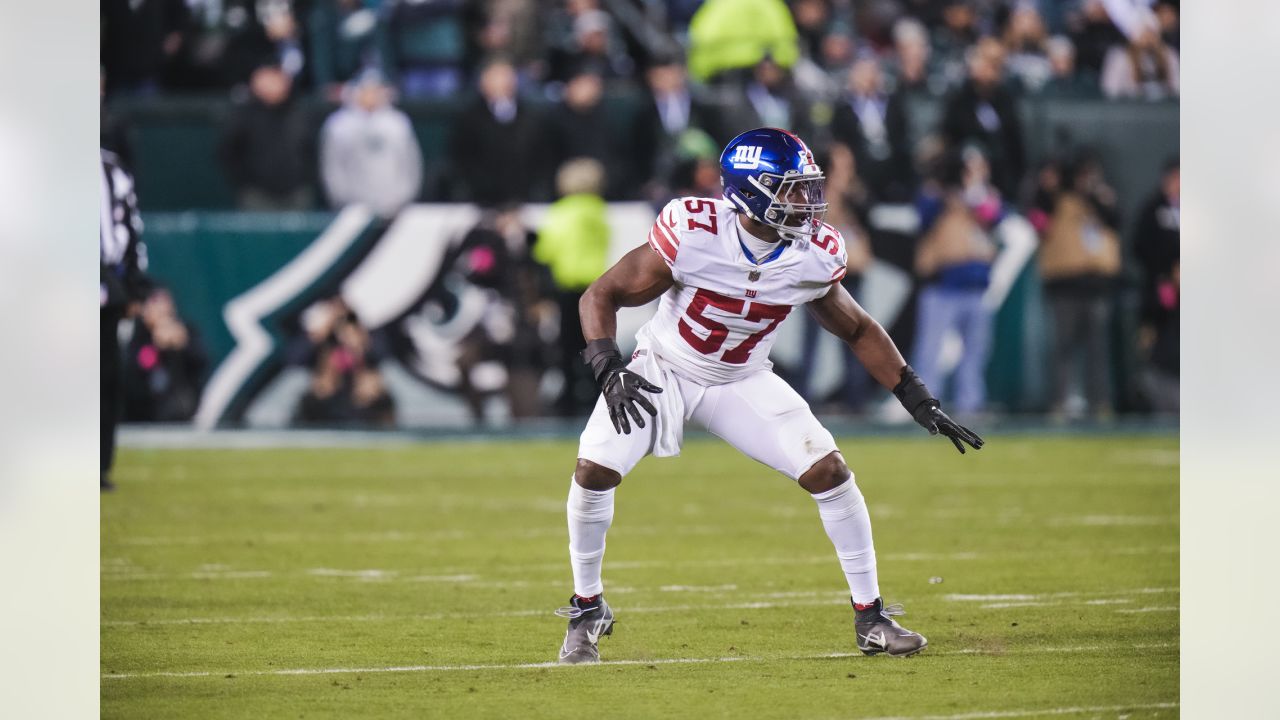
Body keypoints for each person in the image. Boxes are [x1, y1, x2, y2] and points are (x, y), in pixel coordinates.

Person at [554, 128, 984, 664]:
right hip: (665, 367)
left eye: (808, 188)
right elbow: (603, 294)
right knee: (594, 468)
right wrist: (607, 366)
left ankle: (871, 617)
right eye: (791, 189)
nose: (806, 201)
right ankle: (587, 607)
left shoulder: (813, 254)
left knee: (828, 470)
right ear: (749, 193)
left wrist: (917, 396)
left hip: (742, 378)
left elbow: (858, 328)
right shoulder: (694, 231)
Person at [533, 158, 612, 416]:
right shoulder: (598, 211)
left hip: (567, 287)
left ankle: (568, 400)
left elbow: (546, 250)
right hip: (595, 287)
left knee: (567, 348)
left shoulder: (561, 212)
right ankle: (595, 397)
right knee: (595, 344)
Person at [101, 149, 152, 491]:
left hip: (106, 292)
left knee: (106, 378)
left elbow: (129, 226)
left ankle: (98, 465)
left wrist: (133, 286)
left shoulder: (110, 166)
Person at [319, 70, 423, 218]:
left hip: (394, 208)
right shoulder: (338, 125)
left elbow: (411, 164)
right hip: (352, 208)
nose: (371, 95)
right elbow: (332, 167)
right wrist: (342, 200)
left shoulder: (398, 123)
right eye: (366, 90)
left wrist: (402, 198)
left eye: (376, 90)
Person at [219, 62, 316, 211]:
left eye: (278, 78)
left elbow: (310, 150)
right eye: (268, 79)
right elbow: (228, 153)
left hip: (297, 193)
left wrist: (304, 179)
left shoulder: (299, 113)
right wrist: (246, 183)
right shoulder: (244, 115)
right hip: (257, 196)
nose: (274, 85)